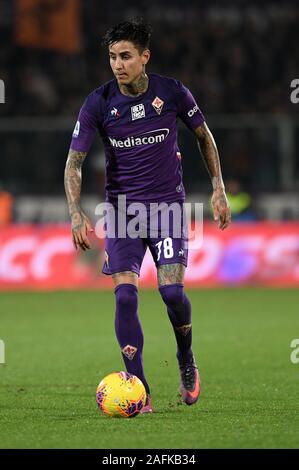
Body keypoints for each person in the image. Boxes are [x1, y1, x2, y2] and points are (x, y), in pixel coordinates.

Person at [64, 19, 231, 413]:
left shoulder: (171, 92)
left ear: (144, 57)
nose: (117, 64)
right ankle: (139, 389)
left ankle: (186, 358)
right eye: (111, 57)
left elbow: (203, 136)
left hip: (168, 208)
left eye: (125, 56)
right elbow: (75, 161)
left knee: (173, 293)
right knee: (124, 297)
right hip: (122, 213)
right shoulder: (99, 102)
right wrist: (75, 212)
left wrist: (219, 187)